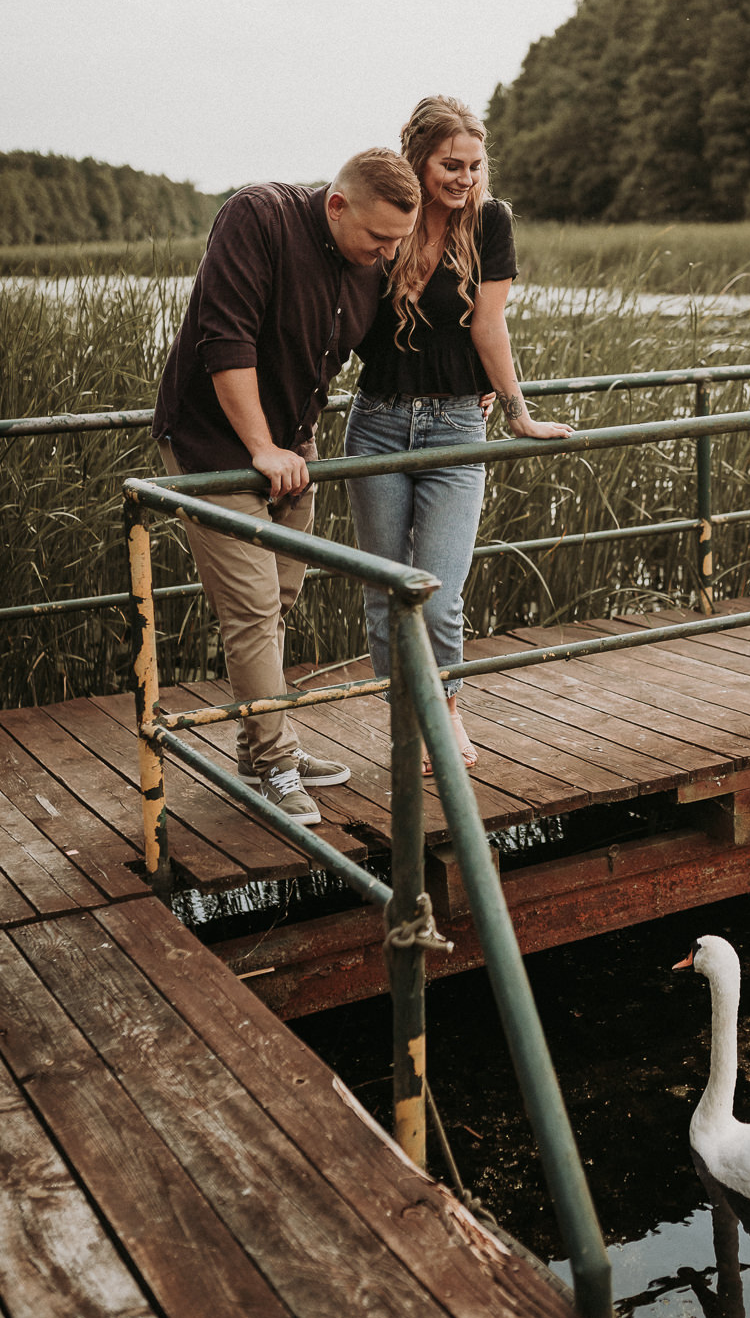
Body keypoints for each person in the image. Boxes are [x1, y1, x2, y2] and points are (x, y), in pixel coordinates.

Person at [152, 148, 421, 825]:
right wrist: (261, 447)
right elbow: (224, 338)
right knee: (250, 608)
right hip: (213, 448)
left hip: (289, 456)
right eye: (378, 238)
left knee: (282, 598)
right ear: (336, 203)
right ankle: (274, 764)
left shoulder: (366, 265)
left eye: (397, 242)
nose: (386, 254)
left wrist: (474, 390)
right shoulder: (259, 216)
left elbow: (394, 353)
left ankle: (257, 743)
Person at [345, 97, 571, 768]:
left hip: (455, 427)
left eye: (474, 165)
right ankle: (405, 721)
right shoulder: (389, 217)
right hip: (377, 425)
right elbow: (345, 318)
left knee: (440, 597)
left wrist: (516, 412)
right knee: (388, 595)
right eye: (451, 164)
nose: (465, 177)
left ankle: (443, 711)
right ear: (418, 160)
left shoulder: (491, 222)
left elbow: (488, 323)